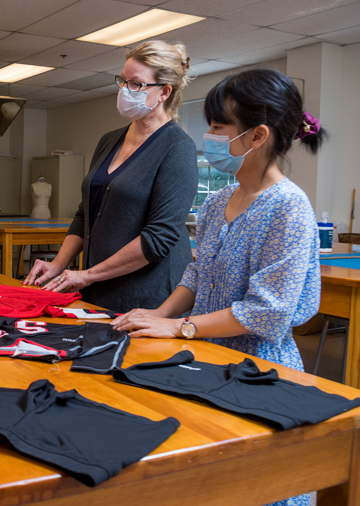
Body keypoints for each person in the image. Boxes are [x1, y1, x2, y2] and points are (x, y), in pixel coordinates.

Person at [111, 68, 324, 376]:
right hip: (204, 354)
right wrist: (158, 314)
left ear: (257, 135)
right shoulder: (218, 201)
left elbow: (266, 312)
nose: (208, 136)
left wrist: (177, 326)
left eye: (218, 126)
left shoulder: (288, 207)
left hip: (257, 370)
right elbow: (199, 274)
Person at [24, 40, 197, 313]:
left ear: (164, 92)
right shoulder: (109, 141)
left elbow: (158, 238)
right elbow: (86, 214)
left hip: (147, 297)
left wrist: (87, 275)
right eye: (123, 80)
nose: (125, 90)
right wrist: (59, 264)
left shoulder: (177, 148)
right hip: (98, 288)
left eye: (136, 84)